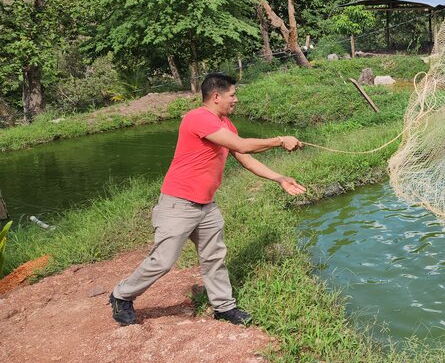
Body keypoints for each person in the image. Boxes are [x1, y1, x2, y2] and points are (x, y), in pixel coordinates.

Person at [109, 73, 306, 326]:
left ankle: (223, 307)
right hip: (178, 203)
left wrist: (279, 178)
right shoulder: (198, 118)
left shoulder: (226, 124)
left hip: (206, 205)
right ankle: (121, 295)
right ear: (216, 97)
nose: (236, 100)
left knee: (214, 256)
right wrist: (280, 140)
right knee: (163, 261)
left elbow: (245, 158)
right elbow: (244, 146)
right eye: (232, 95)